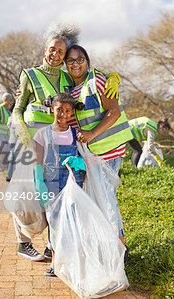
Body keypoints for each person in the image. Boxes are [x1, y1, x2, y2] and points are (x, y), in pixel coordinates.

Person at [10, 23, 120, 261]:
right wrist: (21, 132)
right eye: (52, 49)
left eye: (60, 51)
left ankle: (53, 245)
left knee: (56, 191)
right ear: (44, 49)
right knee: (26, 191)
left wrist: (113, 77)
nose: (55, 54)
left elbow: (87, 76)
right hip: (33, 140)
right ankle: (23, 242)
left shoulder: (67, 76)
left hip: (59, 142)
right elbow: (17, 109)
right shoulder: (29, 74)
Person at [64, 45, 133, 262]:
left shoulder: (98, 80)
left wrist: (92, 133)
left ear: (87, 60)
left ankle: (121, 248)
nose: (76, 64)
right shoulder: (70, 89)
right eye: (71, 60)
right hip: (91, 153)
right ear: (66, 65)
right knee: (98, 198)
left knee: (106, 197)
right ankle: (107, 243)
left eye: (80, 59)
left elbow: (114, 112)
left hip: (110, 149)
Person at [32, 93, 85, 276]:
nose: (63, 114)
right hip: (51, 183)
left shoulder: (76, 134)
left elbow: (86, 158)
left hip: (72, 182)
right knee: (54, 221)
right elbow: (37, 161)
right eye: (59, 109)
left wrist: (80, 164)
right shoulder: (42, 134)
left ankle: (71, 260)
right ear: (52, 109)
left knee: (71, 220)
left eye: (68, 110)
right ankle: (55, 261)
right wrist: (39, 182)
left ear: (72, 112)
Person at [0, 92, 14, 171]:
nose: (11, 101)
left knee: (5, 149)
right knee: (2, 149)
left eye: (12, 100)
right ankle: (1, 166)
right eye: (10, 100)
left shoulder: (10, 109)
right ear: (5, 100)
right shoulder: (0, 108)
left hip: (7, 133)